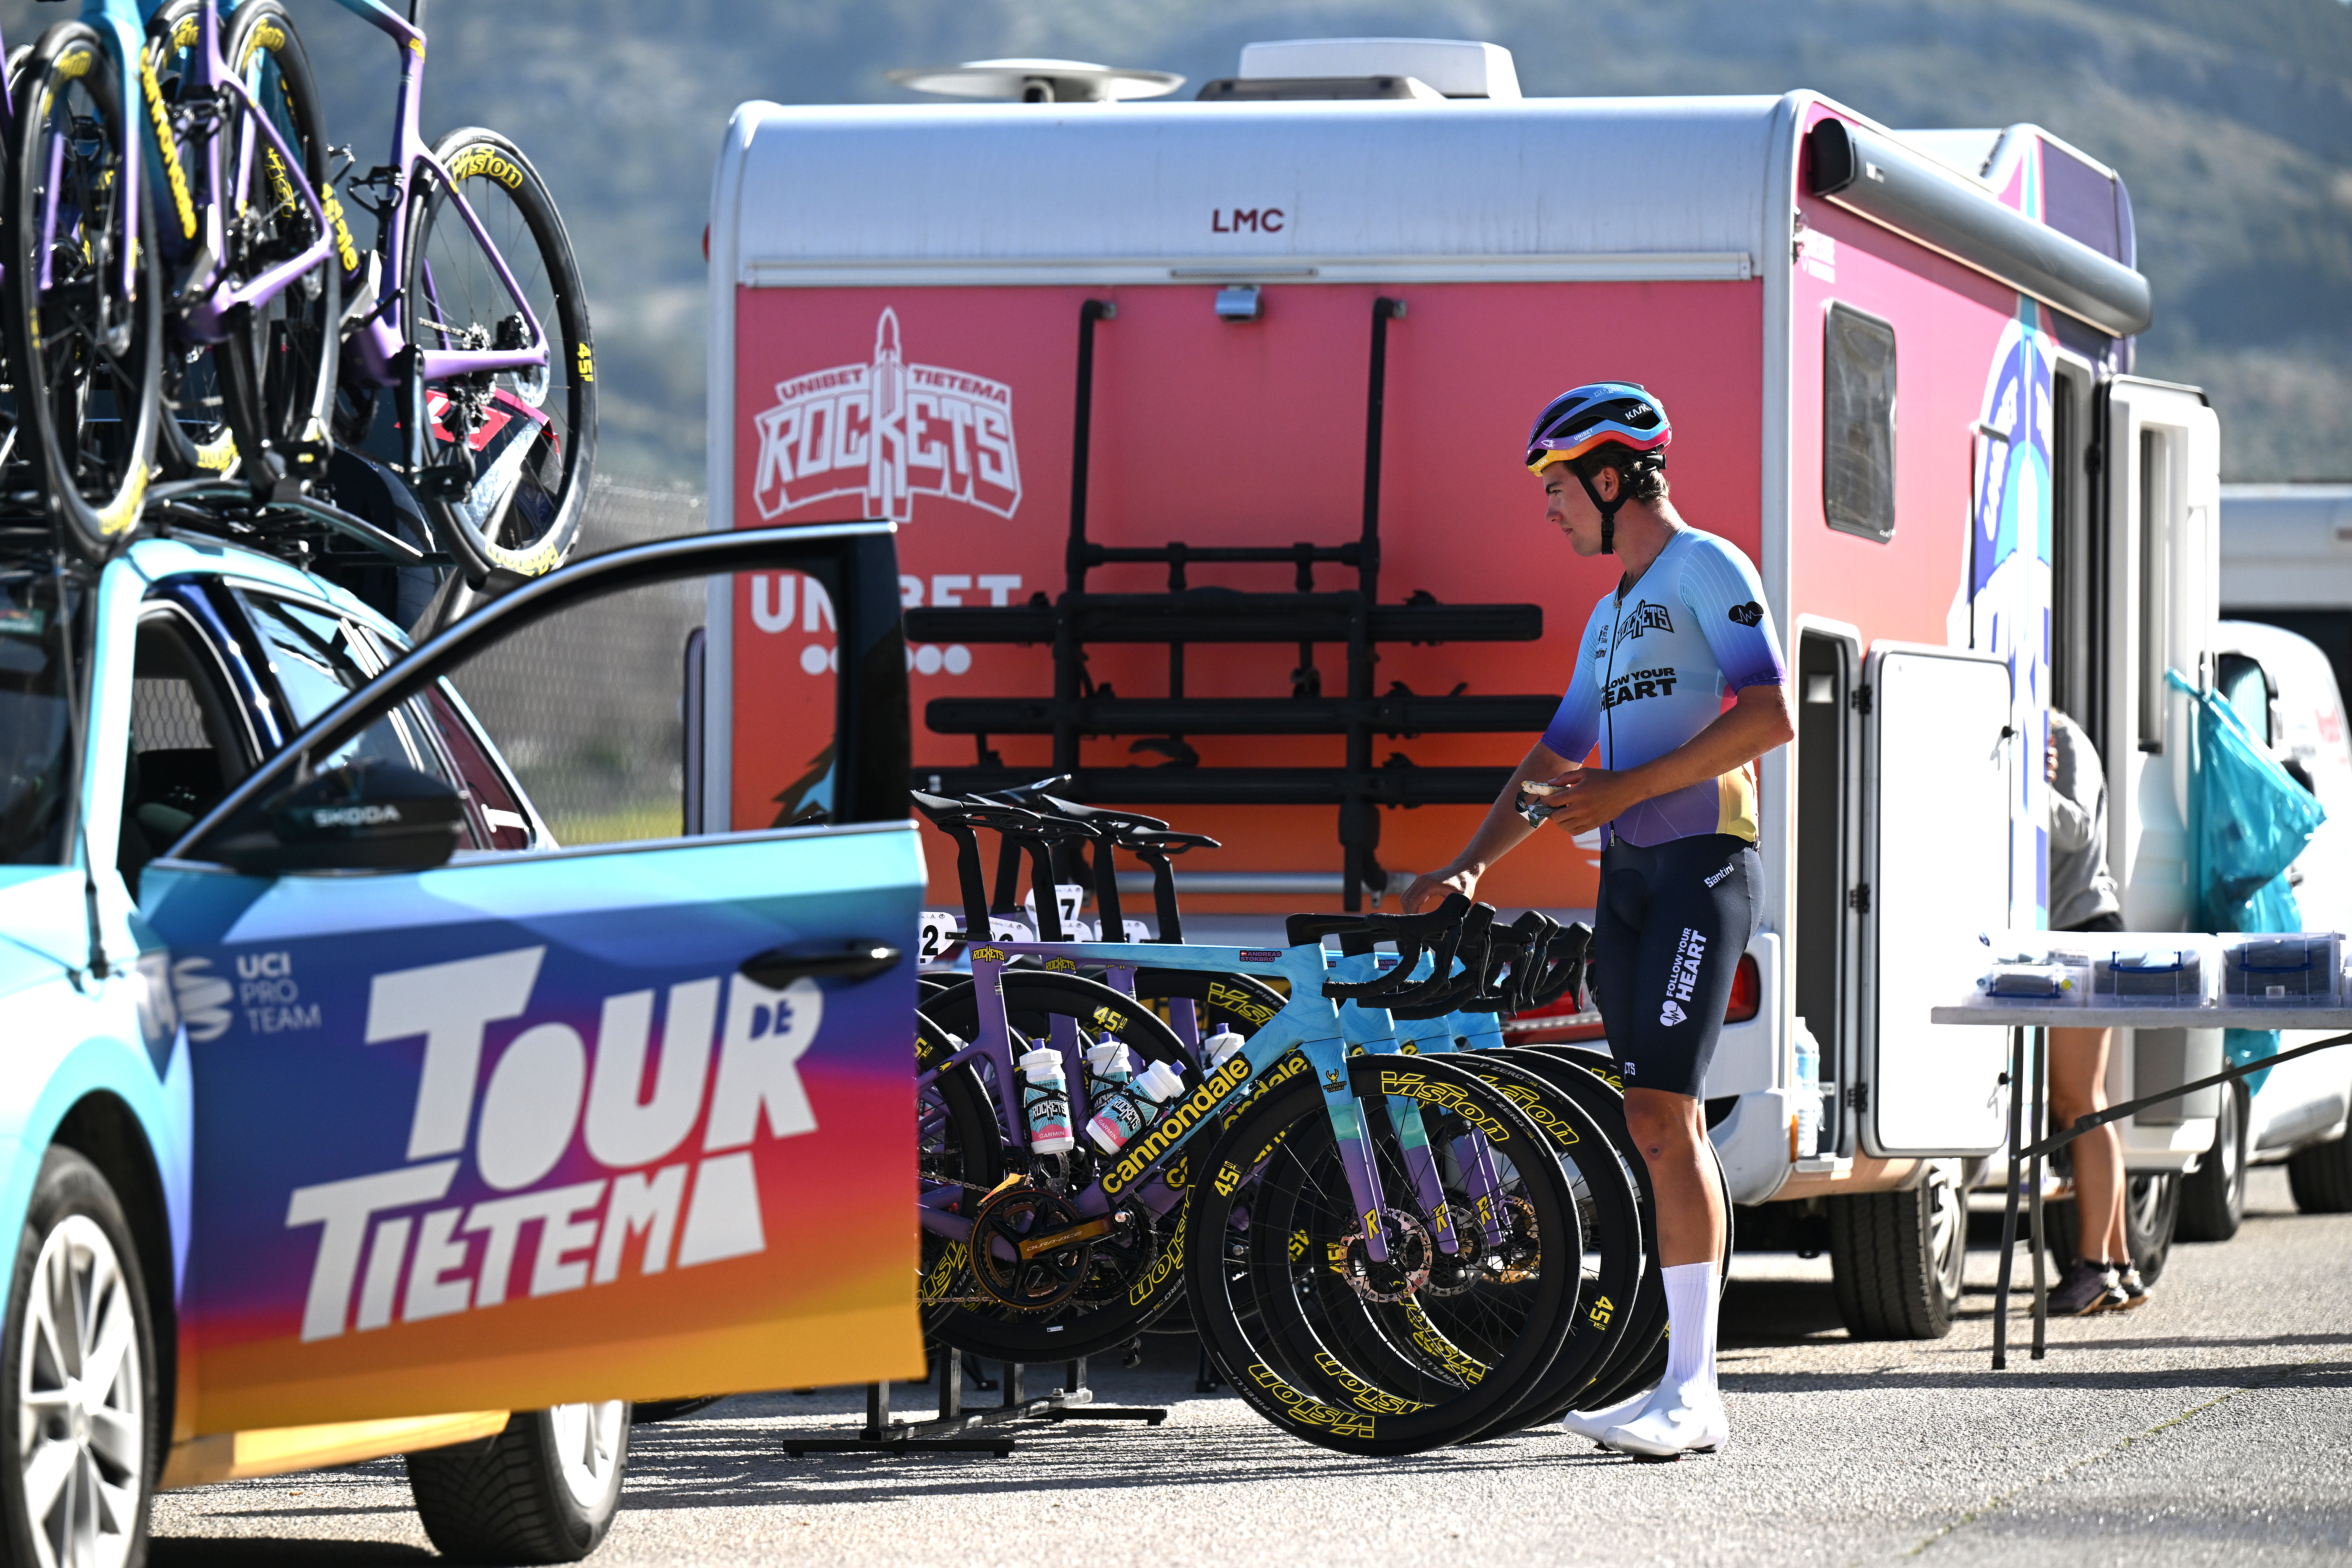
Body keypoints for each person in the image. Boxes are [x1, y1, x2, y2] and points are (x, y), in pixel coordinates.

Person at [1404, 383, 1792, 1459]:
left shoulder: (1708, 566)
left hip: (1698, 872)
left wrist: (1624, 794)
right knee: (1653, 1125)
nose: (1549, 509)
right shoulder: (1612, 611)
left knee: (1670, 1115)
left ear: (1614, 478)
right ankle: (1679, 1384)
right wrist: (1471, 867)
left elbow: (1771, 715)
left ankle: (1697, 1390)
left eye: (1559, 488)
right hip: (1622, 883)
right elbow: (1554, 758)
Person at [2044, 708, 2147, 1314]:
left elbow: (2080, 830)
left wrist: (2021, 784)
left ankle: (2095, 1267)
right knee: (2084, 1102)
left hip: (2087, 932)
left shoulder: (2063, 736)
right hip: (2069, 937)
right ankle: (2119, 1265)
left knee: (2080, 1102)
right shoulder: (2040, 736)